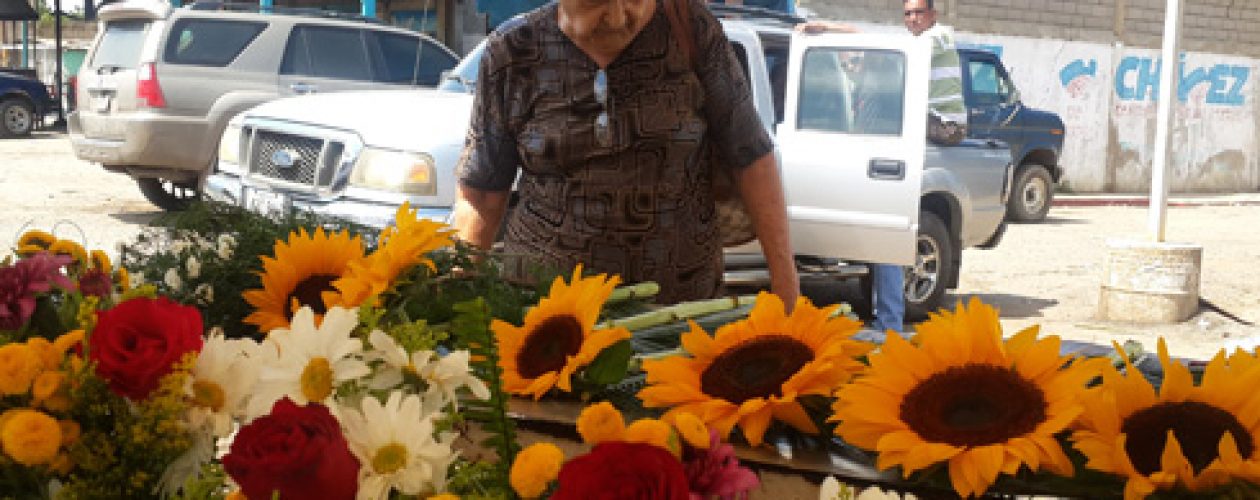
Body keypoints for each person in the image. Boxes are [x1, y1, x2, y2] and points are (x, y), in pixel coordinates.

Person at [452, 0, 800, 305]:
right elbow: (482, 192)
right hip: (544, 319)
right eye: (596, 2)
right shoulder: (514, 51)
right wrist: (456, 296)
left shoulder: (692, 28)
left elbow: (751, 155)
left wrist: (786, 287)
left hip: (679, 315)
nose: (619, 18)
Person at [796, 0, 968, 334]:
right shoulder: (915, 45)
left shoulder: (939, 37)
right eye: (907, 14)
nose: (913, 19)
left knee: (880, 92)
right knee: (885, 237)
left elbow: (883, 47)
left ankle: (888, 322)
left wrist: (830, 29)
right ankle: (886, 320)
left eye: (919, 13)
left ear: (933, 15)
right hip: (924, 126)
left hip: (946, 125)